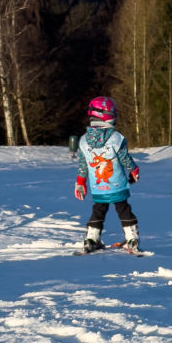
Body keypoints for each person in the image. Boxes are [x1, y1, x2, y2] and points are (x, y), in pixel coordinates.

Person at [75, 96, 141, 254]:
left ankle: (91, 239)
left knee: (98, 210)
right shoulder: (116, 138)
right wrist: (134, 169)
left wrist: (80, 182)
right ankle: (131, 239)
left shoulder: (83, 141)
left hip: (99, 186)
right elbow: (125, 158)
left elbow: (83, 166)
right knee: (123, 209)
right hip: (117, 183)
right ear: (108, 115)